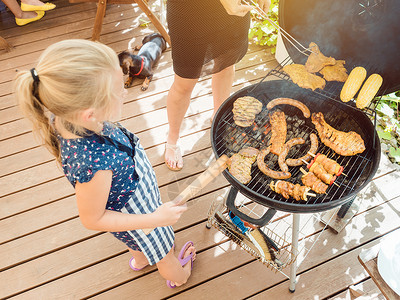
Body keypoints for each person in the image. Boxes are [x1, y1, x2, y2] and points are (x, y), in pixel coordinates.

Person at [14, 39, 196, 288]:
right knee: (165, 256)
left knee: (139, 243)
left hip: (135, 206)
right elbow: (93, 218)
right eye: (120, 89)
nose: (124, 91)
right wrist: (155, 219)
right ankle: (179, 276)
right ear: (90, 113)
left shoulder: (70, 116)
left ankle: (141, 259)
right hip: (141, 217)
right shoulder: (92, 162)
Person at [164, 0, 271, 171]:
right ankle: (172, 140)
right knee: (184, 83)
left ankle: (218, 116)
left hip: (232, 13)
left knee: (226, 64)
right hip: (190, 11)